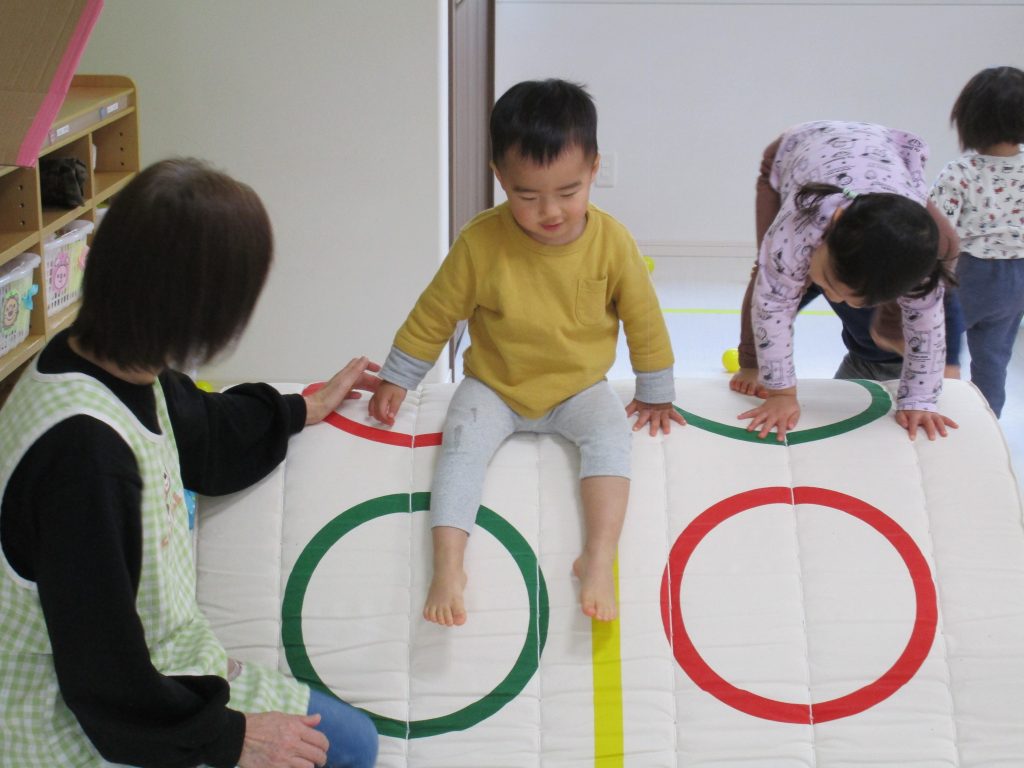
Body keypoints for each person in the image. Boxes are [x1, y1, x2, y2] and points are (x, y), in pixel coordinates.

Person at [0, 159, 380, 768]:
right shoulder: (83, 458)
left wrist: (298, 409)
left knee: (355, 743)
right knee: (344, 752)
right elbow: (101, 679)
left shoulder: (108, 356)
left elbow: (206, 430)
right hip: (74, 725)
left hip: (153, 672)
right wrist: (235, 738)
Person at [369, 79, 683, 627]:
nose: (550, 211)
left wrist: (655, 391)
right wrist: (398, 377)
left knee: (612, 439)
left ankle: (598, 557)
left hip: (579, 387)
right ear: (499, 178)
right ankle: (449, 566)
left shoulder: (613, 243)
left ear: (594, 169)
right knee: (460, 447)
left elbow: (645, 321)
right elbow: (435, 313)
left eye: (568, 191)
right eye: (527, 196)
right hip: (495, 386)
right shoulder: (480, 242)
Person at [733, 120, 959, 442]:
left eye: (851, 299)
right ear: (831, 229)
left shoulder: (922, 264)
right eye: (828, 283)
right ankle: (751, 361)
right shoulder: (799, 223)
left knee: (944, 249)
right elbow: (773, 306)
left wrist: (919, 400)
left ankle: (889, 322)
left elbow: (927, 325)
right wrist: (782, 393)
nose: (835, 300)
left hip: (886, 164)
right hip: (791, 152)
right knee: (768, 272)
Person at [930, 66, 1024, 418]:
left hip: (970, 274)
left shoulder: (961, 172)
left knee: (938, 348)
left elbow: (936, 232)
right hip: (1017, 278)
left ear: (970, 119)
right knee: (994, 358)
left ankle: (933, 410)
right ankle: (987, 423)